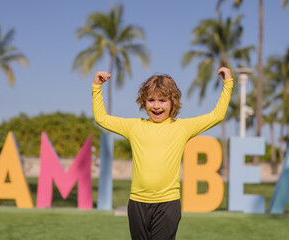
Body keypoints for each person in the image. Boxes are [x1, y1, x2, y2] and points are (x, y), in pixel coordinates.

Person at [92, 67, 233, 240]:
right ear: (144, 102)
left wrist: (228, 83)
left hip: (168, 204)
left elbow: (217, 116)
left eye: (162, 100)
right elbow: (101, 118)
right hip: (137, 203)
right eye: (151, 100)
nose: (157, 106)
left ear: (173, 102)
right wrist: (96, 87)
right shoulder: (134, 127)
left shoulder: (182, 128)